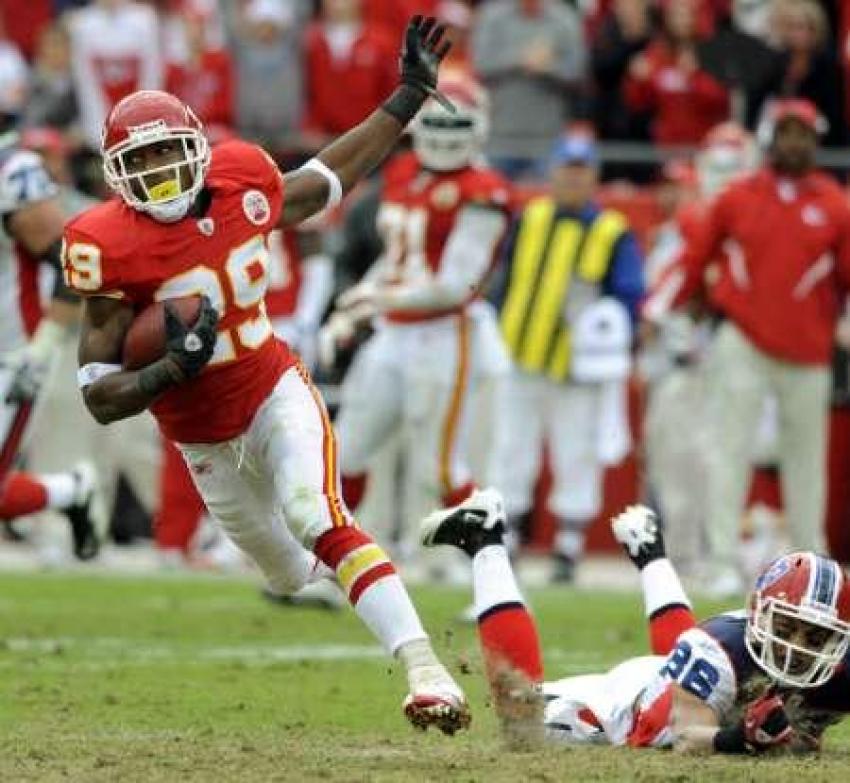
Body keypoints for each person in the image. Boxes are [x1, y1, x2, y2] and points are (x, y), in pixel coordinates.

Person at [62, 17, 470, 735]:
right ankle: (358, 579)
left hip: (271, 387)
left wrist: (406, 97)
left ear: (198, 149)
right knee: (285, 572)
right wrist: (167, 369)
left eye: (169, 156)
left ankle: (427, 671)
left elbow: (324, 181)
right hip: (201, 436)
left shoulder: (243, 176)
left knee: (318, 514)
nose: (159, 175)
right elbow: (98, 397)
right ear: (117, 175)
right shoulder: (103, 244)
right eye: (143, 163)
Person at [422, 494, 850, 753]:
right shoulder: (716, 649)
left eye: (815, 636)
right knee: (520, 719)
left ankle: (650, 553)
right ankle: (486, 539)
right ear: (760, 616)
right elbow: (687, 740)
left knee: (687, 671)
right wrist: (737, 739)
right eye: (788, 628)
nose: (798, 647)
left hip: (682, 680)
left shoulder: (840, 669)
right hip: (626, 708)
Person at [643, 98, 850, 596]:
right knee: (726, 451)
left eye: (803, 134)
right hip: (742, 338)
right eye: (786, 133)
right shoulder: (737, 197)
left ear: (816, 140)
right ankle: (721, 562)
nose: (794, 143)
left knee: (806, 463)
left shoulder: (835, 203)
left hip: (809, 346)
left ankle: (811, 566)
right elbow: (697, 259)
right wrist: (675, 309)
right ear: (768, 138)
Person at [323, 77, 512, 526]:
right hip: (394, 334)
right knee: (344, 452)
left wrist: (372, 301)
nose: (446, 136)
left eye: (458, 124)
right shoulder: (404, 173)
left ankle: (492, 578)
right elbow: (396, 261)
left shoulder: (483, 191)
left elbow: (456, 287)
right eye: (438, 125)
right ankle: (331, 564)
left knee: (442, 470)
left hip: (446, 335)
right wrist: (349, 312)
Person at [489, 133, 645, 581]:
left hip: (577, 366)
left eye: (581, 171)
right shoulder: (530, 217)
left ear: (594, 177)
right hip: (520, 353)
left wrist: (613, 339)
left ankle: (568, 546)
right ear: (553, 173)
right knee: (511, 449)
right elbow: (504, 277)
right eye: (566, 170)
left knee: (575, 452)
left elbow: (630, 296)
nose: (573, 179)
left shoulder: (611, 231)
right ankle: (509, 539)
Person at [0, 126, 101, 561]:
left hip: (11, 354)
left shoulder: (13, 172)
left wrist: (43, 347)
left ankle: (72, 492)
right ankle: (71, 491)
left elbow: (72, 263)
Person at [472, 0, 587, 181]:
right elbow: (480, 64)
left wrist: (548, 67)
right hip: (498, 138)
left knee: (543, 206)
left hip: (547, 140)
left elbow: (578, 71)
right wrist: (520, 58)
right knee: (495, 202)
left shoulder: (564, 17)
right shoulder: (492, 15)